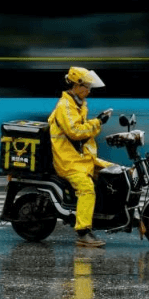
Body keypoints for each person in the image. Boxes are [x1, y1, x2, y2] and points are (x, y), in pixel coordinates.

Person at [48, 67, 114, 247]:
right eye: (86, 86)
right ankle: (83, 232)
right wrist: (98, 122)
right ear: (76, 86)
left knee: (115, 171)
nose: (89, 90)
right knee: (86, 188)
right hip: (68, 162)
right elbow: (75, 131)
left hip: (82, 159)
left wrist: (97, 122)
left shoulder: (79, 104)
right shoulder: (65, 106)